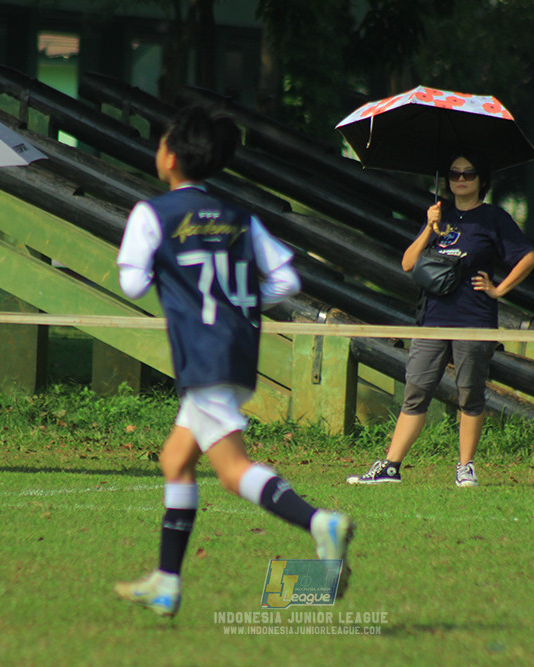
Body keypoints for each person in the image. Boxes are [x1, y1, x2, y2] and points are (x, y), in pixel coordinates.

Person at [113, 106, 353, 618]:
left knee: (231, 471)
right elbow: (286, 280)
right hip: (237, 350)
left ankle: (319, 523)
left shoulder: (152, 214)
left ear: (170, 157)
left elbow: (132, 283)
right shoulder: (239, 216)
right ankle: (166, 582)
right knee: (176, 461)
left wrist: (178, 283)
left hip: (202, 356)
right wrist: (234, 302)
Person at [346, 153, 534, 487]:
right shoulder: (439, 215)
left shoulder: (493, 217)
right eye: (454, 173)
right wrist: (428, 227)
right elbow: (408, 264)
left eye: (469, 173)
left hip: (474, 318)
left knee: (470, 393)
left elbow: (530, 257)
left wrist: (498, 290)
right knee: (416, 391)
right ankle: (391, 466)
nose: (460, 179)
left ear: (482, 179)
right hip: (432, 318)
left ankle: (465, 467)